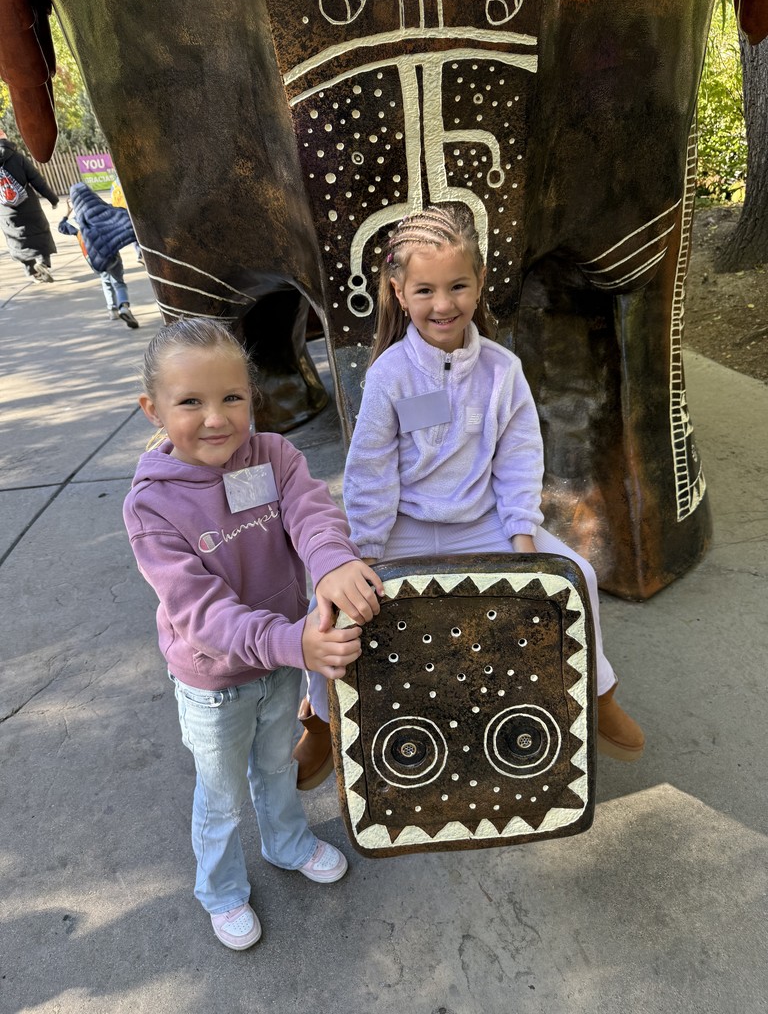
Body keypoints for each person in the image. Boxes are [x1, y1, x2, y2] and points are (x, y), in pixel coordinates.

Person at [298, 203, 645, 781]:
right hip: (405, 526)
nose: (444, 304)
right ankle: (321, 721)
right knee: (328, 608)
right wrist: (367, 551)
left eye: (458, 285)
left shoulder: (503, 371)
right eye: (425, 290)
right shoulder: (389, 375)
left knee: (577, 576)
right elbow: (371, 471)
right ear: (399, 292)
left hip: (483, 522)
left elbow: (519, 458)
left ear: (480, 281)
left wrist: (521, 537)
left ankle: (599, 693)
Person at [123, 317, 384, 950]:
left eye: (232, 397)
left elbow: (311, 513)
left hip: (281, 661)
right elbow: (200, 612)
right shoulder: (150, 506)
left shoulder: (273, 456)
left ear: (252, 395)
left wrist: (332, 562)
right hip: (214, 681)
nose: (216, 419)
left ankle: (287, 843)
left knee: (274, 764)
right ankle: (219, 890)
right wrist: (296, 643)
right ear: (153, 409)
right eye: (191, 402)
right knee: (220, 795)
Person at [58, 181, 140, 327]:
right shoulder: (106, 212)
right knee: (119, 282)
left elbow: (61, 228)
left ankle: (112, 310)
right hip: (112, 254)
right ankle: (123, 306)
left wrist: (67, 212)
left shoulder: (76, 222)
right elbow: (123, 214)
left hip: (93, 259)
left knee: (106, 281)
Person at [0, 129, 58, 281]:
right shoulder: (18, 158)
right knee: (40, 234)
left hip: (6, 210)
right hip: (29, 206)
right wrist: (52, 199)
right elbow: (37, 180)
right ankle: (43, 263)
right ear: (4, 137)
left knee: (18, 240)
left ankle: (32, 272)